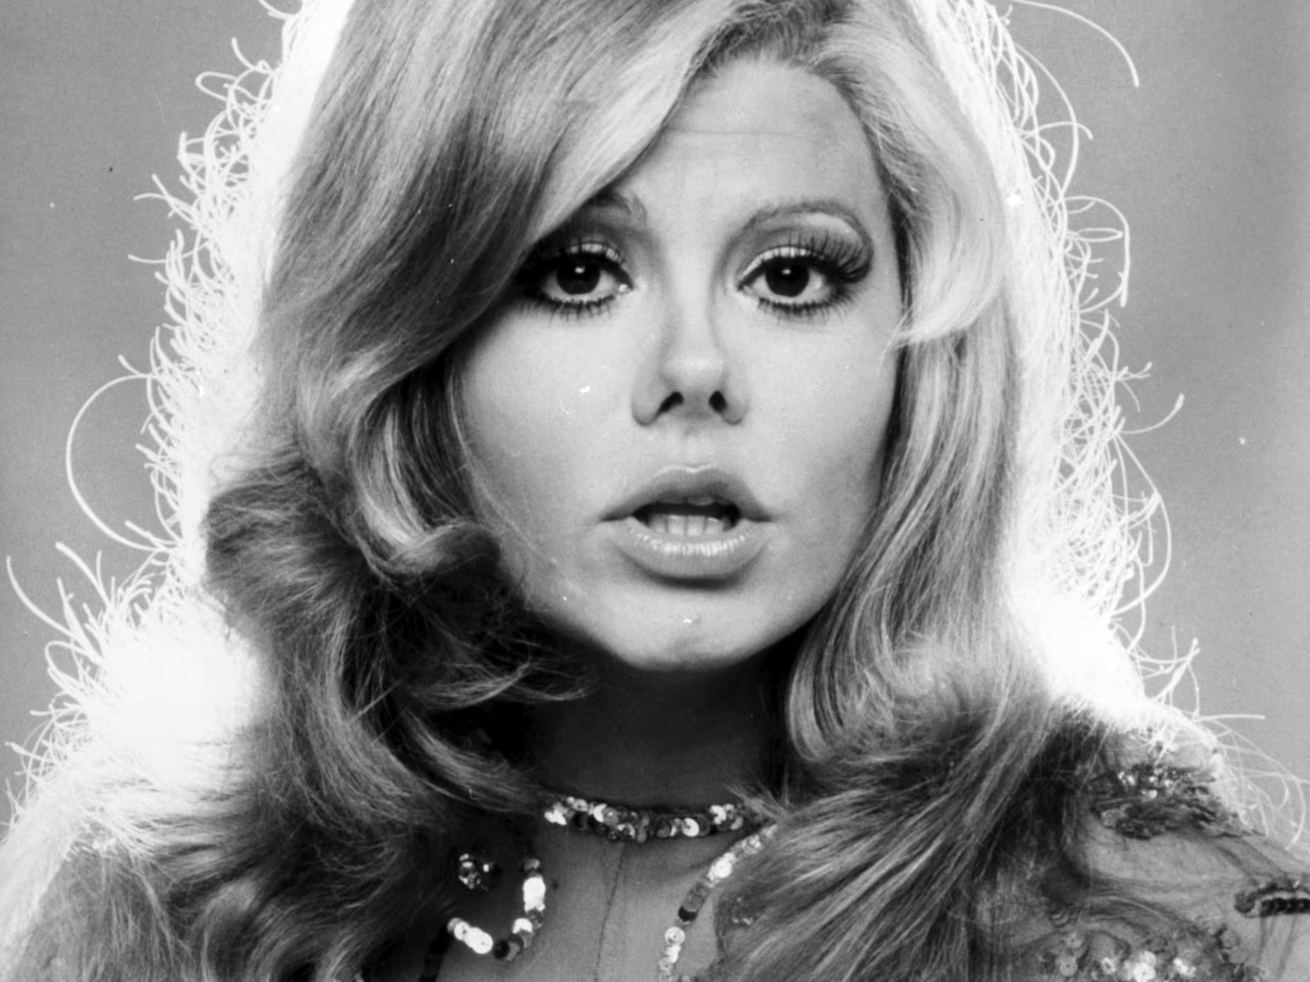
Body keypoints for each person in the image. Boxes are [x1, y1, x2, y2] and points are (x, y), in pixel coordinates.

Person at [1, 0, 1307, 980]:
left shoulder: (1150, 917)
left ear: (921, 351)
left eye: (789, 275)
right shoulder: (175, 909)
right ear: (408, 346)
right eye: (578, 273)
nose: (694, 372)